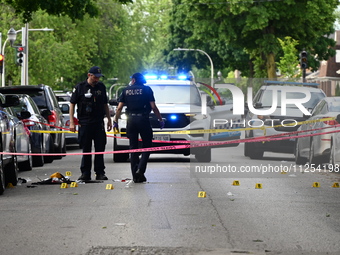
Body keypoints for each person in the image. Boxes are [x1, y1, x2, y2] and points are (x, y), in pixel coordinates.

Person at [114, 73, 164, 183]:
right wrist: (160, 119)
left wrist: (115, 121)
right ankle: (140, 170)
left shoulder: (126, 90)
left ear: (134, 79)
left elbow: (119, 108)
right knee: (147, 145)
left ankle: (135, 175)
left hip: (130, 121)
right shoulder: (147, 90)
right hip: (143, 120)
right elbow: (153, 107)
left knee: (133, 147)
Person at [69, 66, 112, 181]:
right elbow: (72, 104)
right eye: (95, 77)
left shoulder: (101, 87)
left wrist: (109, 119)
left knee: (100, 148)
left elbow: (105, 104)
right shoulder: (80, 87)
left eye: (98, 77)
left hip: (98, 123)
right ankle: (85, 173)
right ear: (89, 75)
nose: (97, 79)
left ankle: (100, 172)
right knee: (86, 149)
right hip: (85, 123)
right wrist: (72, 122)